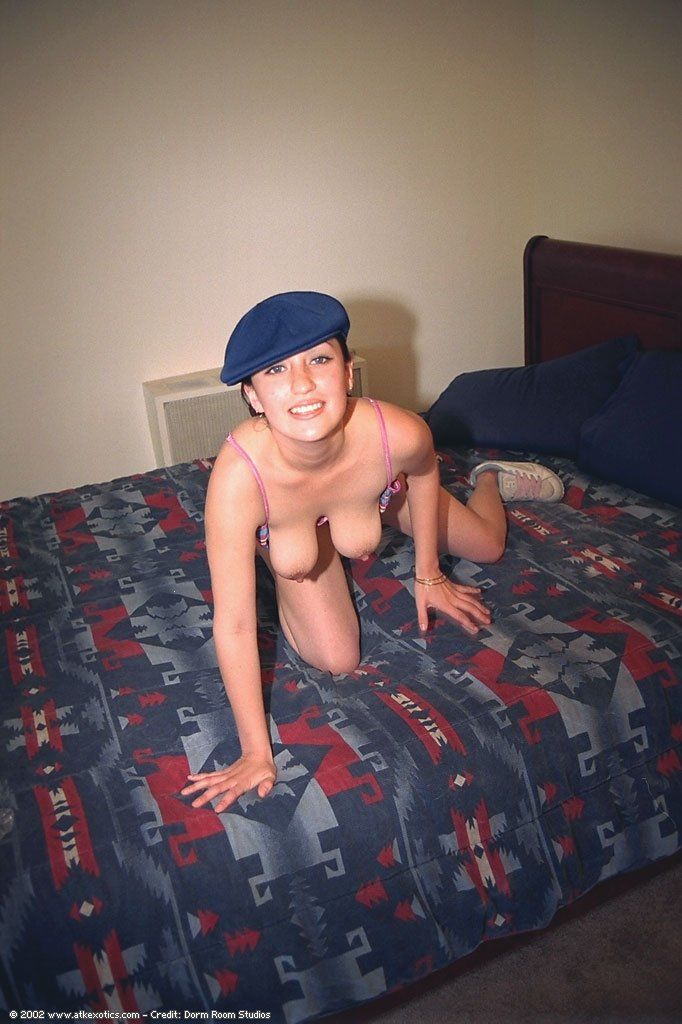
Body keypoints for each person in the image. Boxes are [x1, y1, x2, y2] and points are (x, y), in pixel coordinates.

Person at [181, 292, 563, 813]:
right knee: (337, 658)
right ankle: (282, 551)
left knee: (490, 547)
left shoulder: (396, 432)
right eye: (276, 370)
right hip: (287, 524)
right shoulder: (237, 481)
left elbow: (424, 473)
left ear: (347, 372)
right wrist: (255, 753)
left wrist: (429, 575)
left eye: (319, 359)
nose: (302, 383)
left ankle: (491, 479)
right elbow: (235, 624)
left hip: (372, 492)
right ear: (252, 396)